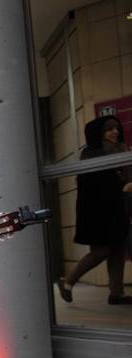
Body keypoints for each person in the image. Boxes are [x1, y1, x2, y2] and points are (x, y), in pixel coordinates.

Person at [57, 115, 132, 306]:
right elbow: (94, 189)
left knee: (118, 249)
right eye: (109, 129)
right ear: (98, 134)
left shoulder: (122, 150)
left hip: (118, 209)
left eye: (116, 128)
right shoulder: (92, 154)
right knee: (102, 250)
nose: (115, 132)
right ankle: (69, 281)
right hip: (98, 214)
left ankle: (117, 293)